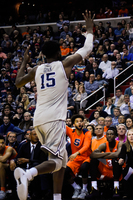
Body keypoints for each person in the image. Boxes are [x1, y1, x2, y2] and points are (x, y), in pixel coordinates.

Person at [13, 11, 94, 200]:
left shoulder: (36, 69)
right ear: (58, 52)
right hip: (54, 119)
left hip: (38, 119)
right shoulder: (64, 64)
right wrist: (89, 29)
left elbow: (17, 83)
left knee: (61, 161)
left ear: (43, 55)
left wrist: (24, 62)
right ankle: (28, 174)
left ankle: (57, 197)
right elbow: (88, 49)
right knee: (57, 161)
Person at [87, 127, 122, 198]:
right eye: (108, 134)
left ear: (115, 136)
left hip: (117, 170)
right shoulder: (104, 145)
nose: (109, 135)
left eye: (111, 134)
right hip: (106, 170)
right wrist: (108, 155)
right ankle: (94, 188)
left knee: (115, 159)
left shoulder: (120, 144)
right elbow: (93, 155)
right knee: (93, 160)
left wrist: (102, 155)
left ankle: (116, 188)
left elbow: (117, 154)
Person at [64, 115, 92, 199]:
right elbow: (60, 124)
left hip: (86, 157)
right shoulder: (70, 131)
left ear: (83, 123)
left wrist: (76, 153)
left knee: (84, 168)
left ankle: (84, 189)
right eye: (77, 121)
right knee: (65, 172)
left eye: (81, 121)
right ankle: (76, 187)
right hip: (75, 159)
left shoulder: (87, 132)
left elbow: (86, 146)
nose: (79, 123)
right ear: (73, 124)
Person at [115, 129, 133, 198]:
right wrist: (121, 160)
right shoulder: (125, 145)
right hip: (131, 164)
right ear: (127, 137)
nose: (131, 137)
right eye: (129, 135)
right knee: (126, 172)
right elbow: (122, 156)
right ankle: (127, 193)